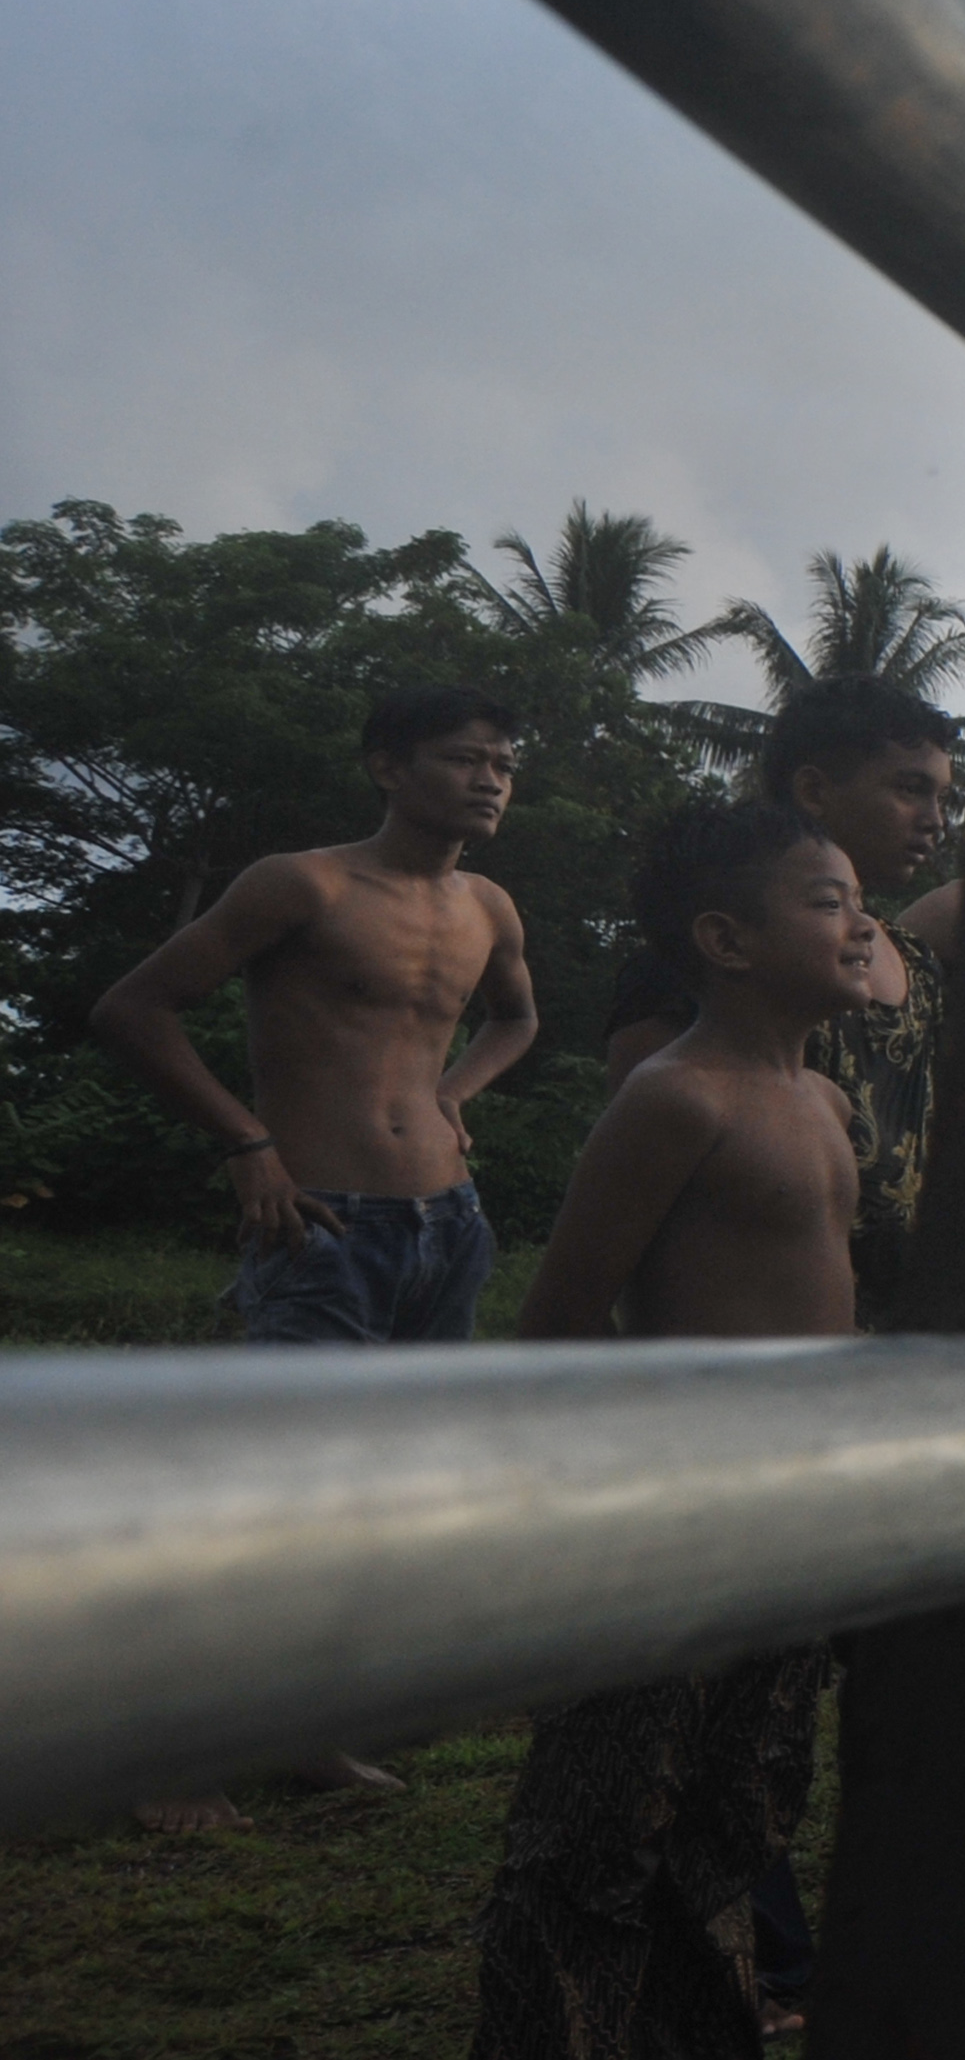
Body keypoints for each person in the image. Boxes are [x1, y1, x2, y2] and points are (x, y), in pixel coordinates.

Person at [91, 683, 539, 1829]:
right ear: (388, 765)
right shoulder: (304, 883)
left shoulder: (488, 904)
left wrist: (455, 1092)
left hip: (447, 1224)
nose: (490, 779)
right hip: (323, 1223)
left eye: (503, 763)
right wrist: (246, 1141)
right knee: (272, 1485)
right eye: (464, 757)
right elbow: (135, 1008)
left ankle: (303, 1723)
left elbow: (517, 1018)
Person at [471, 802, 874, 2060]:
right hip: (674, 1519)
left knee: (734, 1816)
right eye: (828, 900)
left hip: (790, 1517)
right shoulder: (677, 1098)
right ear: (726, 939)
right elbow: (559, 1320)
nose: (862, 925)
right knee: (596, 1834)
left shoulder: (824, 1103)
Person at [606, 674, 965, 1323]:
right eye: (909, 789)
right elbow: (638, 1209)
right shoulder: (687, 974)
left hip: (899, 1349)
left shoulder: (914, 963)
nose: (935, 820)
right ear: (814, 790)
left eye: (942, 796)